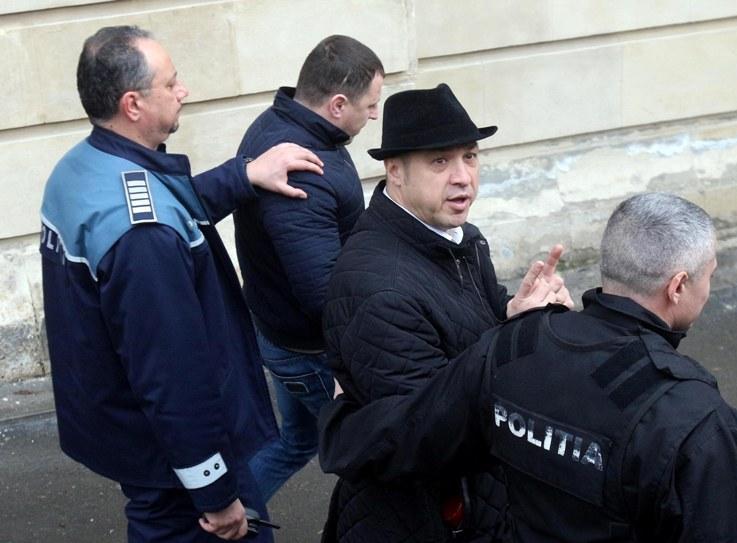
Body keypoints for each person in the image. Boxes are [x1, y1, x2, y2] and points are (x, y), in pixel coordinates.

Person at [320, 192, 737, 542]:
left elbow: (411, 432)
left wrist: (340, 419)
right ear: (678, 285)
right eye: (710, 274)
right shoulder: (695, 420)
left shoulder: (512, 346)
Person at [40, 26, 324, 542]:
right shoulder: (143, 236)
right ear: (132, 104)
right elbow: (173, 376)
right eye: (171, 83)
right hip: (177, 463)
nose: (183, 90)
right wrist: (214, 492)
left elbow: (163, 201)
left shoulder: (82, 170)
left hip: (136, 443)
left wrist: (242, 176)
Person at [320, 83, 572, 542]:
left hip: (483, 498)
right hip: (425, 517)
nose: (463, 177)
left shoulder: (460, 237)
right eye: (440, 161)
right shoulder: (377, 289)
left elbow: (477, 331)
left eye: (470, 157)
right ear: (395, 171)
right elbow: (432, 434)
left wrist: (518, 312)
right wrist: (521, 337)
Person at [232, 35, 384, 502]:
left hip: (280, 334)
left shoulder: (283, 122)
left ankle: (227, 517)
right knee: (371, 458)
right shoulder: (302, 170)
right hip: (308, 350)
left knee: (296, 442)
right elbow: (323, 292)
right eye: (370, 105)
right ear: (337, 105)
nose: (374, 115)